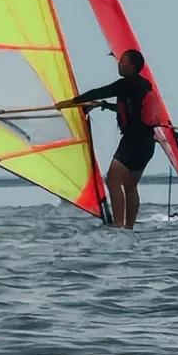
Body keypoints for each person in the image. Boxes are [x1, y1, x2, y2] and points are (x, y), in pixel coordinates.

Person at [57, 50, 158, 229]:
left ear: (132, 66)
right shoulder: (144, 85)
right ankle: (128, 227)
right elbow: (129, 110)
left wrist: (72, 101)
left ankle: (118, 225)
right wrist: (103, 105)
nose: (119, 64)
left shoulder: (126, 84)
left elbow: (100, 91)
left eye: (123, 62)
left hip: (133, 142)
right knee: (130, 185)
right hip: (148, 143)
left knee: (112, 180)